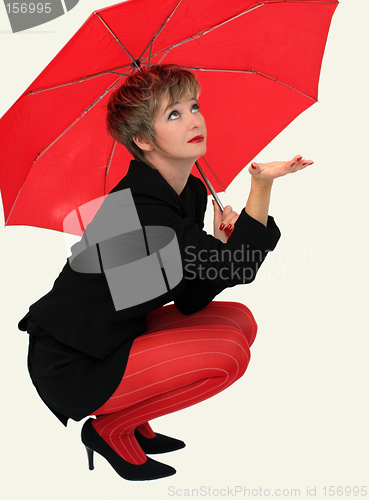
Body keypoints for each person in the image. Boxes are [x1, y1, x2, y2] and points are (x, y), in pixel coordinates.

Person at [18, 64, 313, 481]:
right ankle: (109, 429)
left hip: (117, 332)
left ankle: (135, 416)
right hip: (74, 362)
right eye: (173, 114)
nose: (194, 119)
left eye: (194, 106)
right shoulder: (142, 208)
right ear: (142, 139)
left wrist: (218, 245)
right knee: (227, 357)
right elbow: (238, 268)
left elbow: (190, 296)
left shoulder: (185, 191)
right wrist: (260, 188)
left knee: (239, 322)